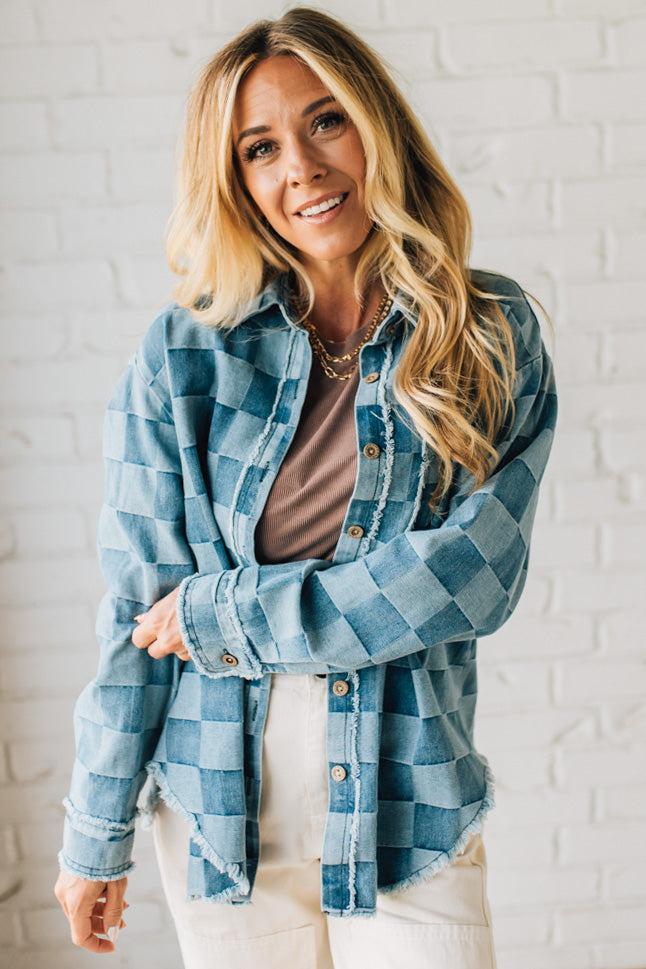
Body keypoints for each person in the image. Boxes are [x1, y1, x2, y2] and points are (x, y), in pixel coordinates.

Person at [53, 6, 558, 968]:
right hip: (218, 814)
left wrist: (231, 613)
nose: (302, 169)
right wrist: (94, 833)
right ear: (235, 181)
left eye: (325, 122)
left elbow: (470, 578)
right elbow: (139, 612)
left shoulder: (486, 330)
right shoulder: (182, 356)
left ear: (377, 127)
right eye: (260, 148)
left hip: (410, 804)